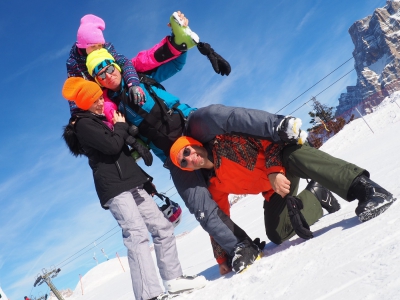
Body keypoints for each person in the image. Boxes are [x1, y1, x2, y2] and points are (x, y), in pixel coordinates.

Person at [61, 77, 207, 300]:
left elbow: (122, 156)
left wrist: (145, 181)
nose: (101, 103)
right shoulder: (83, 124)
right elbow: (112, 146)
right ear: (83, 103)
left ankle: (174, 279)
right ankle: (148, 295)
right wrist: (119, 126)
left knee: (162, 227)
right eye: (95, 101)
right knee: (137, 235)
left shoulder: (100, 121)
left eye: (100, 98)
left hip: (132, 182)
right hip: (115, 188)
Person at [169, 134, 396, 274]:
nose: (189, 158)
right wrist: (222, 258)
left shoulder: (225, 141)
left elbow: (267, 139)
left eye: (187, 151)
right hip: (273, 191)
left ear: (194, 144)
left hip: (282, 163)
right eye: (184, 161)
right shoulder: (214, 184)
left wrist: (275, 171)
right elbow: (217, 220)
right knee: (277, 233)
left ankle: (368, 190)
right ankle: (315, 196)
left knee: (294, 153)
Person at [66, 14, 146, 116]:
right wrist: (76, 115)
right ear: (83, 46)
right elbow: (76, 89)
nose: (98, 49)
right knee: (108, 113)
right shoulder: (74, 63)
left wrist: (133, 83)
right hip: (98, 96)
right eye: (93, 46)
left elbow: (124, 62)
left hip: (114, 84)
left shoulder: (106, 48)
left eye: (99, 45)